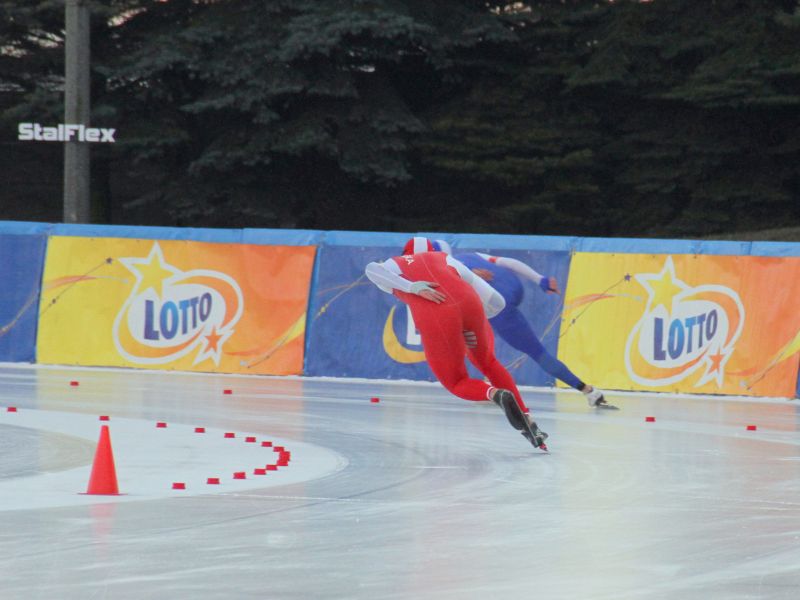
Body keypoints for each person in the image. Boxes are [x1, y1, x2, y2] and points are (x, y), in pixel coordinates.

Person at [365, 239, 549, 449]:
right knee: (488, 361)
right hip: (470, 304)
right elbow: (497, 303)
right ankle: (528, 421)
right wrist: (470, 322)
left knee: (455, 382)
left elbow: (371, 269)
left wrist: (411, 286)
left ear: (404, 252)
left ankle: (494, 394)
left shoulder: (394, 264)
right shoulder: (445, 258)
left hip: (436, 312)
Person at [451, 248, 612, 408]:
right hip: (513, 286)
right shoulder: (467, 256)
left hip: (498, 306)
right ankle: (588, 391)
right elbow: (509, 262)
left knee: (536, 353)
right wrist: (541, 279)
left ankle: (589, 391)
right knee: (487, 331)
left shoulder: (443, 271)